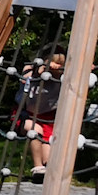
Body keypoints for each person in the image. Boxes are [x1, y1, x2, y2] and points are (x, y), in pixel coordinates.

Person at [17, 52, 66, 180]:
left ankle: (46, 172)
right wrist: (41, 69)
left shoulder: (61, 77)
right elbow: (23, 78)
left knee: (48, 160)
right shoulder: (32, 70)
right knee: (35, 130)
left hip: (48, 118)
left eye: (60, 64)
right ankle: (37, 168)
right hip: (27, 115)